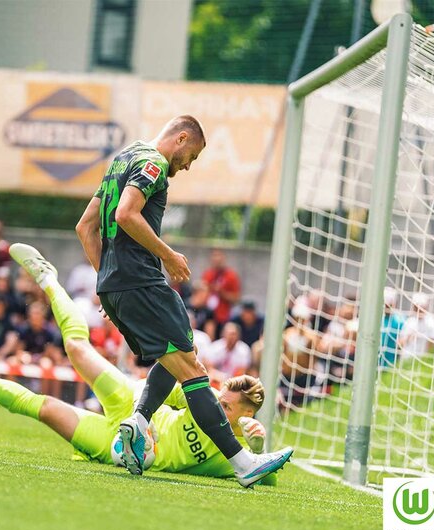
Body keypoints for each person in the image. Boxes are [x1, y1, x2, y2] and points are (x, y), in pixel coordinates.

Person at [0, 244, 291, 482]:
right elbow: (160, 383)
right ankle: (49, 280)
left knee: (45, 408)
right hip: (131, 408)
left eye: (227, 406)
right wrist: (145, 419)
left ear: (246, 417)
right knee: (79, 351)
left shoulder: (234, 450)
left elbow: (268, 478)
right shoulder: (202, 398)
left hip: (115, 446)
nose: (218, 403)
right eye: (221, 398)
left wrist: (257, 451)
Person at [73, 116, 290, 486]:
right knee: (193, 372)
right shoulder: (154, 163)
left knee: (177, 356)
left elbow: (85, 226)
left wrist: (107, 281)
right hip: (142, 281)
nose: (187, 165)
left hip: (117, 287)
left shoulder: (122, 159)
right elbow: (126, 214)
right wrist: (168, 255)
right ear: (182, 137)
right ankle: (243, 464)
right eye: (192, 155)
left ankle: (138, 424)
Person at [201, 249, 241, 326]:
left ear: (224, 258)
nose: (217, 259)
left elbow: (236, 298)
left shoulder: (231, 276)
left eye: (219, 256)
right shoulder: (207, 274)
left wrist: (222, 293)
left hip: (222, 316)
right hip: (207, 315)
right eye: (214, 256)